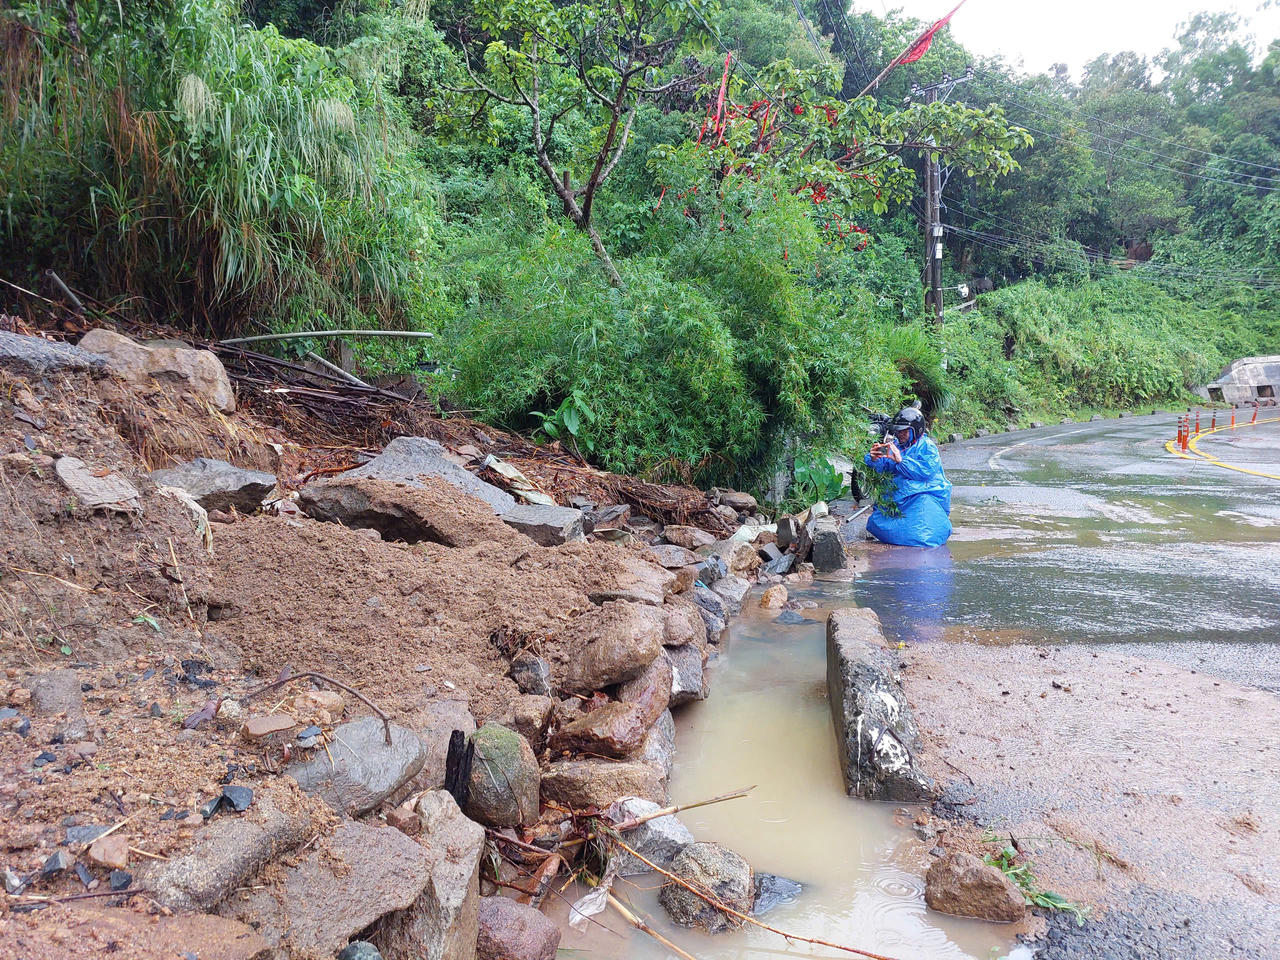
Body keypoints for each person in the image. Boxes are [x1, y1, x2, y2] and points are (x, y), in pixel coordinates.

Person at [863, 407, 952, 547]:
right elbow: (884, 468)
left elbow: (926, 472)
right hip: (897, 498)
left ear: (916, 430)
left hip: (921, 495)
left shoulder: (927, 446)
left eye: (904, 430)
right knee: (877, 523)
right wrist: (875, 458)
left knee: (923, 531)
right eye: (898, 430)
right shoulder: (896, 445)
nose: (900, 434)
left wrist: (901, 461)